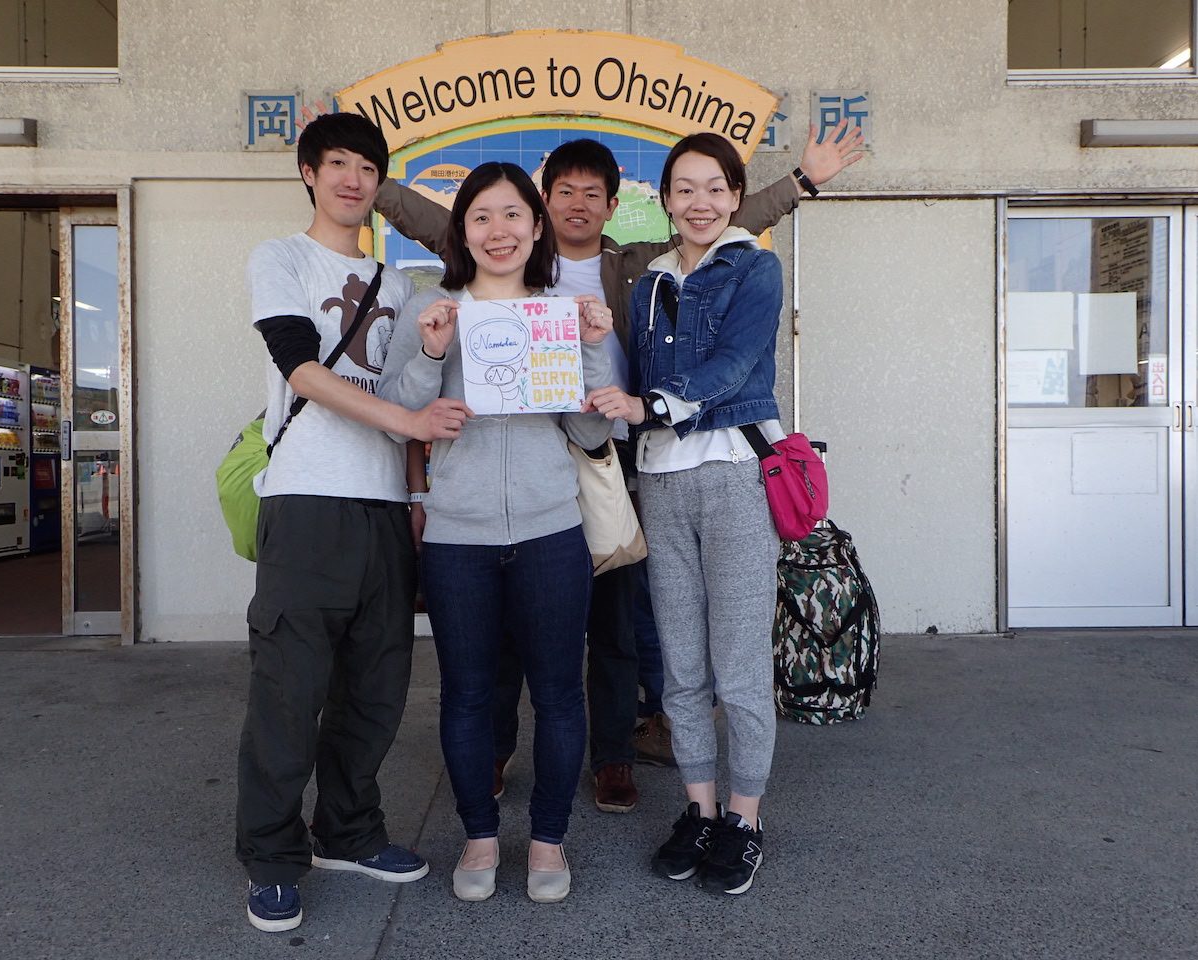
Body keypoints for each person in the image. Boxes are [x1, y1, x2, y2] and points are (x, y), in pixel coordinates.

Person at [374, 122, 862, 813]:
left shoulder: (640, 266)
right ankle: (499, 750)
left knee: (618, 619)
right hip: (535, 465)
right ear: (542, 207)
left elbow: (718, 223)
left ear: (614, 206)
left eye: (593, 193)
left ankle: (615, 756)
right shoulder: (493, 269)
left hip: (620, 452)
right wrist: (374, 184)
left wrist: (800, 184)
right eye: (564, 192)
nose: (578, 204)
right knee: (511, 624)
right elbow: (444, 222)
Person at [235, 112, 473, 934]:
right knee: (290, 689)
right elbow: (299, 362)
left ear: (380, 183)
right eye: (337, 163)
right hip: (304, 499)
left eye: (367, 168)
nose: (352, 179)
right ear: (309, 171)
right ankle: (272, 855)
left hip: (381, 507)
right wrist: (409, 424)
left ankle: (348, 831)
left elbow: (402, 395)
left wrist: (434, 353)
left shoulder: (398, 285)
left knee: (376, 686)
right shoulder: (281, 259)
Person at [378, 161, 613, 904]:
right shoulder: (433, 306)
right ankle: (479, 836)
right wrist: (434, 354)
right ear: (462, 230)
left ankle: (547, 842)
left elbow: (589, 426)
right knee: (468, 695)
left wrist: (595, 347)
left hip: (550, 529)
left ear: (536, 226)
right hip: (458, 536)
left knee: (557, 694)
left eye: (513, 215)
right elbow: (396, 409)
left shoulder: (558, 311)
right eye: (482, 216)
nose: (499, 230)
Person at [584, 131, 785, 897]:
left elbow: (735, 363)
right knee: (681, 667)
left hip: (732, 473)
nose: (700, 202)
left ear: (735, 196)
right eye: (685, 189)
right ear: (664, 201)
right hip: (661, 482)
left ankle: (744, 818)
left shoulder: (756, 266)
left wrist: (651, 403)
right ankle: (698, 809)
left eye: (715, 187)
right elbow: (631, 383)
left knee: (737, 667)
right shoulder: (649, 283)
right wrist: (607, 348)